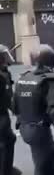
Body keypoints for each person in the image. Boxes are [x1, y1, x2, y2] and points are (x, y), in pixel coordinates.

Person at [14, 45, 54, 175]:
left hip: (25, 128)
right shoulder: (50, 81)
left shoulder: (24, 78)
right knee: (45, 165)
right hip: (40, 131)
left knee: (50, 160)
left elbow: (15, 105)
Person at [0, 45, 21, 175]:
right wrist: (19, 113)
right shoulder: (2, 76)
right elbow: (8, 99)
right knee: (5, 142)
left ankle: (8, 169)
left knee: (8, 140)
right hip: (1, 115)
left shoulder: (3, 73)